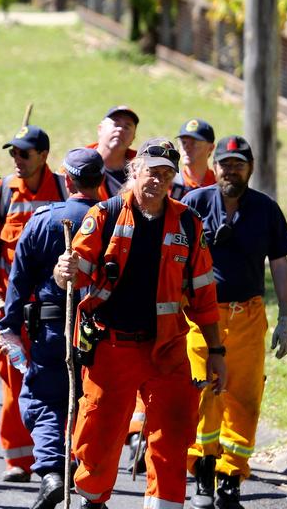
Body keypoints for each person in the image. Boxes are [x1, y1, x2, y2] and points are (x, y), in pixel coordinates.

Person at [53, 139, 227, 509]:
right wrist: (62, 270)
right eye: (151, 172)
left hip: (167, 348)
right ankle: (92, 500)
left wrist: (216, 351)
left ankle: (163, 505)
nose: (158, 181)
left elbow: (204, 296)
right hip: (112, 347)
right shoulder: (104, 215)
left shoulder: (188, 223)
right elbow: (73, 274)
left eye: (166, 174)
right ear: (135, 172)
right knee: (99, 434)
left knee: (175, 431)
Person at [182, 136, 287, 508]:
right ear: (214, 167)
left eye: (239, 163)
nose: (231, 170)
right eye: (225, 163)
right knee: (204, 396)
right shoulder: (193, 205)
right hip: (201, 318)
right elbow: (171, 259)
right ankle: (203, 474)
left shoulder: (266, 210)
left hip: (247, 318)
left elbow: (279, 263)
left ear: (251, 167)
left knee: (244, 399)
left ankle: (231, 478)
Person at [0, 148, 106, 509]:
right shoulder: (115, 220)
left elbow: (18, 281)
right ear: (100, 180)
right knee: (95, 405)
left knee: (45, 401)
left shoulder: (43, 220)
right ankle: (92, 488)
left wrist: (9, 326)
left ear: (67, 179)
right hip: (102, 329)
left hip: (51, 330)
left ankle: (52, 474)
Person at [0, 125, 67, 481]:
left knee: (58, 387)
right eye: (13, 152)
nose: (16, 160)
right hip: (10, 311)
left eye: (24, 153)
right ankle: (17, 458)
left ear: (43, 155)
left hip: (54, 313)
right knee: (14, 384)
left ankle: (54, 457)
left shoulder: (64, 189)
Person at [88, 106, 139, 199]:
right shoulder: (78, 165)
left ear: (133, 138)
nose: (120, 129)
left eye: (127, 127)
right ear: (100, 129)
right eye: (116, 123)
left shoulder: (141, 170)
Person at [172, 119, 216, 200]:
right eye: (184, 142)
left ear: (211, 148)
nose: (186, 148)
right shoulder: (169, 184)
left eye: (194, 143)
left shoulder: (218, 186)